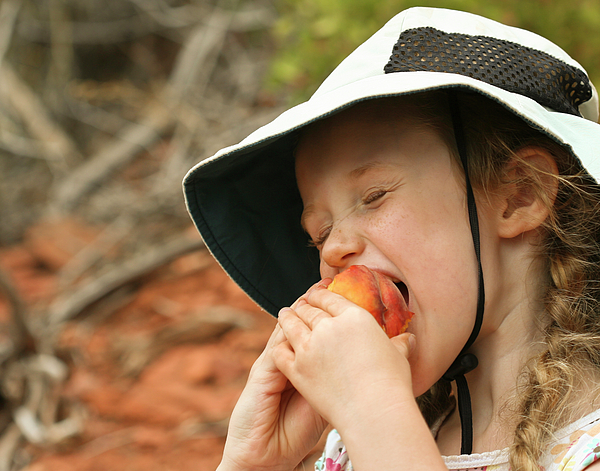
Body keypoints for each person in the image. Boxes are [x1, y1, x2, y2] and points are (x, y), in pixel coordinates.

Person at [183, 7, 600, 471]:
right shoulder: (350, 446)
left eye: (374, 196)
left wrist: (373, 408)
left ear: (520, 194)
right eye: (317, 235)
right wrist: (256, 465)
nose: (334, 249)